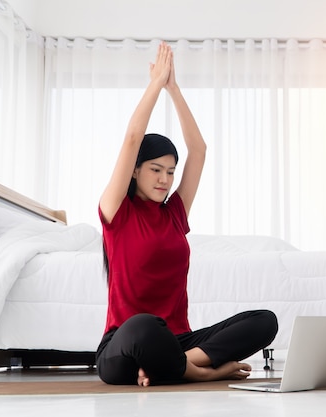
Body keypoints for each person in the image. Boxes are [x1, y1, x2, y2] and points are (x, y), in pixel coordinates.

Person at [96, 42, 278, 386]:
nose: (165, 179)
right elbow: (133, 137)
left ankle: (173, 366)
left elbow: (199, 149)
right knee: (144, 325)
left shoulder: (175, 213)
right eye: (156, 170)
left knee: (264, 321)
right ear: (135, 171)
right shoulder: (116, 211)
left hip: (177, 341)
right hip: (125, 346)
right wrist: (155, 85)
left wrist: (174, 89)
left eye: (171, 171)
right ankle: (200, 372)